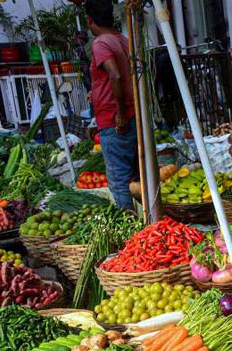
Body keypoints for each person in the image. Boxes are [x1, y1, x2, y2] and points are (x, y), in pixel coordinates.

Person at [84, 0, 136, 209]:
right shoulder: (122, 39)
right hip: (131, 114)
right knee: (134, 176)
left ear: (90, 21)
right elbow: (117, 76)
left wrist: (120, 113)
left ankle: (129, 228)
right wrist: (96, 92)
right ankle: (144, 224)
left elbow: (115, 75)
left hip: (115, 120)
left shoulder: (100, 43)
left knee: (119, 180)